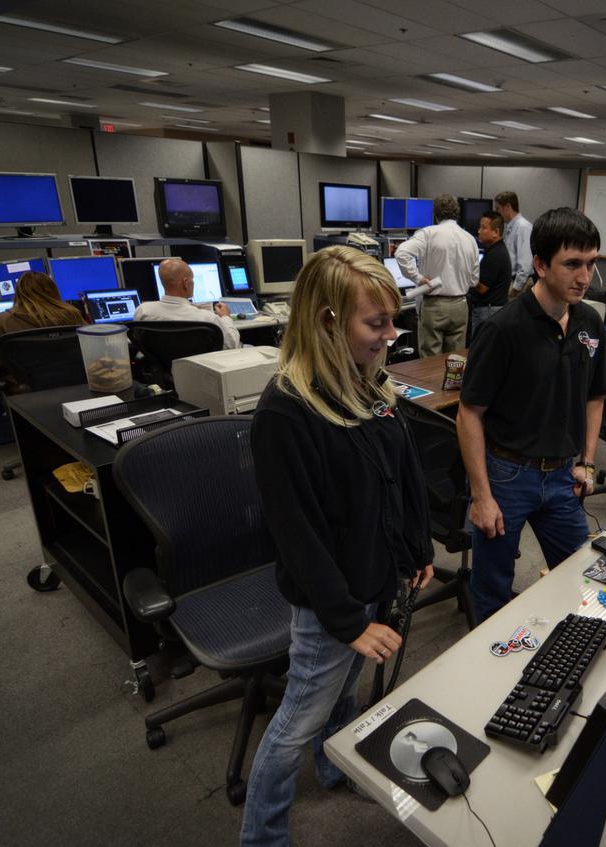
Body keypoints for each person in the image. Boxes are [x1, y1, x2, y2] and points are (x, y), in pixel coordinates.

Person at [241, 246, 434, 846]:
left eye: (390, 321)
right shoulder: (287, 410)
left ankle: (334, 767)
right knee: (299, 719)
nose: (390, 335)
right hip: (332, 602)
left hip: (374, 579)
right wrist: (349, 621)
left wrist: (416, 548)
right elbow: (297, 535)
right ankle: (262, 835)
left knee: (344, 695)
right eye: (376, 324)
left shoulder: (367, 387)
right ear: (327, 321)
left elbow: (399, 479)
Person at [457, 208, 606, 623]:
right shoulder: (503, 329)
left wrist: (588, 461)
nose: (584, 276)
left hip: (563, 476)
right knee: (491, 590)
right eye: (573, 264)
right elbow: (469, 413)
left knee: (582, 572)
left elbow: (595, 397)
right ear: (540, 264)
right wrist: (482, 497)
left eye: (591, 263)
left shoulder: (590, 322)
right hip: (507, 476)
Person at [395, 194, 479, 356]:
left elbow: (401, 253)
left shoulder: (428, 233)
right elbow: (474, 280)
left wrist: (418, 279)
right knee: (455, 362)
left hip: (435, 306)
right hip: (460, 306)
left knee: (430, 362)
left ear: (435, 213)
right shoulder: (470, 239)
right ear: (457, 213)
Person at [0, 270, 85, 381]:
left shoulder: (4, 320)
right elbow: (93, 342)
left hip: (28, 390)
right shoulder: (72, 314)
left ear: (19, 293)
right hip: (77, 384)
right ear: (54, 290)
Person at [132, 257, 241, 349]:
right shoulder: (208, 319)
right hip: (204, 370)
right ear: (185, 283)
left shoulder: (143, 310)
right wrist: (226, 317)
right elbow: (232, 345)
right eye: (192, 279)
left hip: (164, 367)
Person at [469, 209, 512, 337]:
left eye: (483, 228)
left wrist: (468, 274)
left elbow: (482, 288)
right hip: (493, 309)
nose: (479, 231)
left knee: (479, 348)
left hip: (487, 311)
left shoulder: (495, 255)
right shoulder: (497, 250)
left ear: (496, 232)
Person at [495, 191, 533, 296]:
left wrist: (516, 289)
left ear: (507, 206)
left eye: (498, 208)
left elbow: (525, 264)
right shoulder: (511, 226)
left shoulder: (523, 227)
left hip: (517, 284)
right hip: (510, 281)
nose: (497, 213)